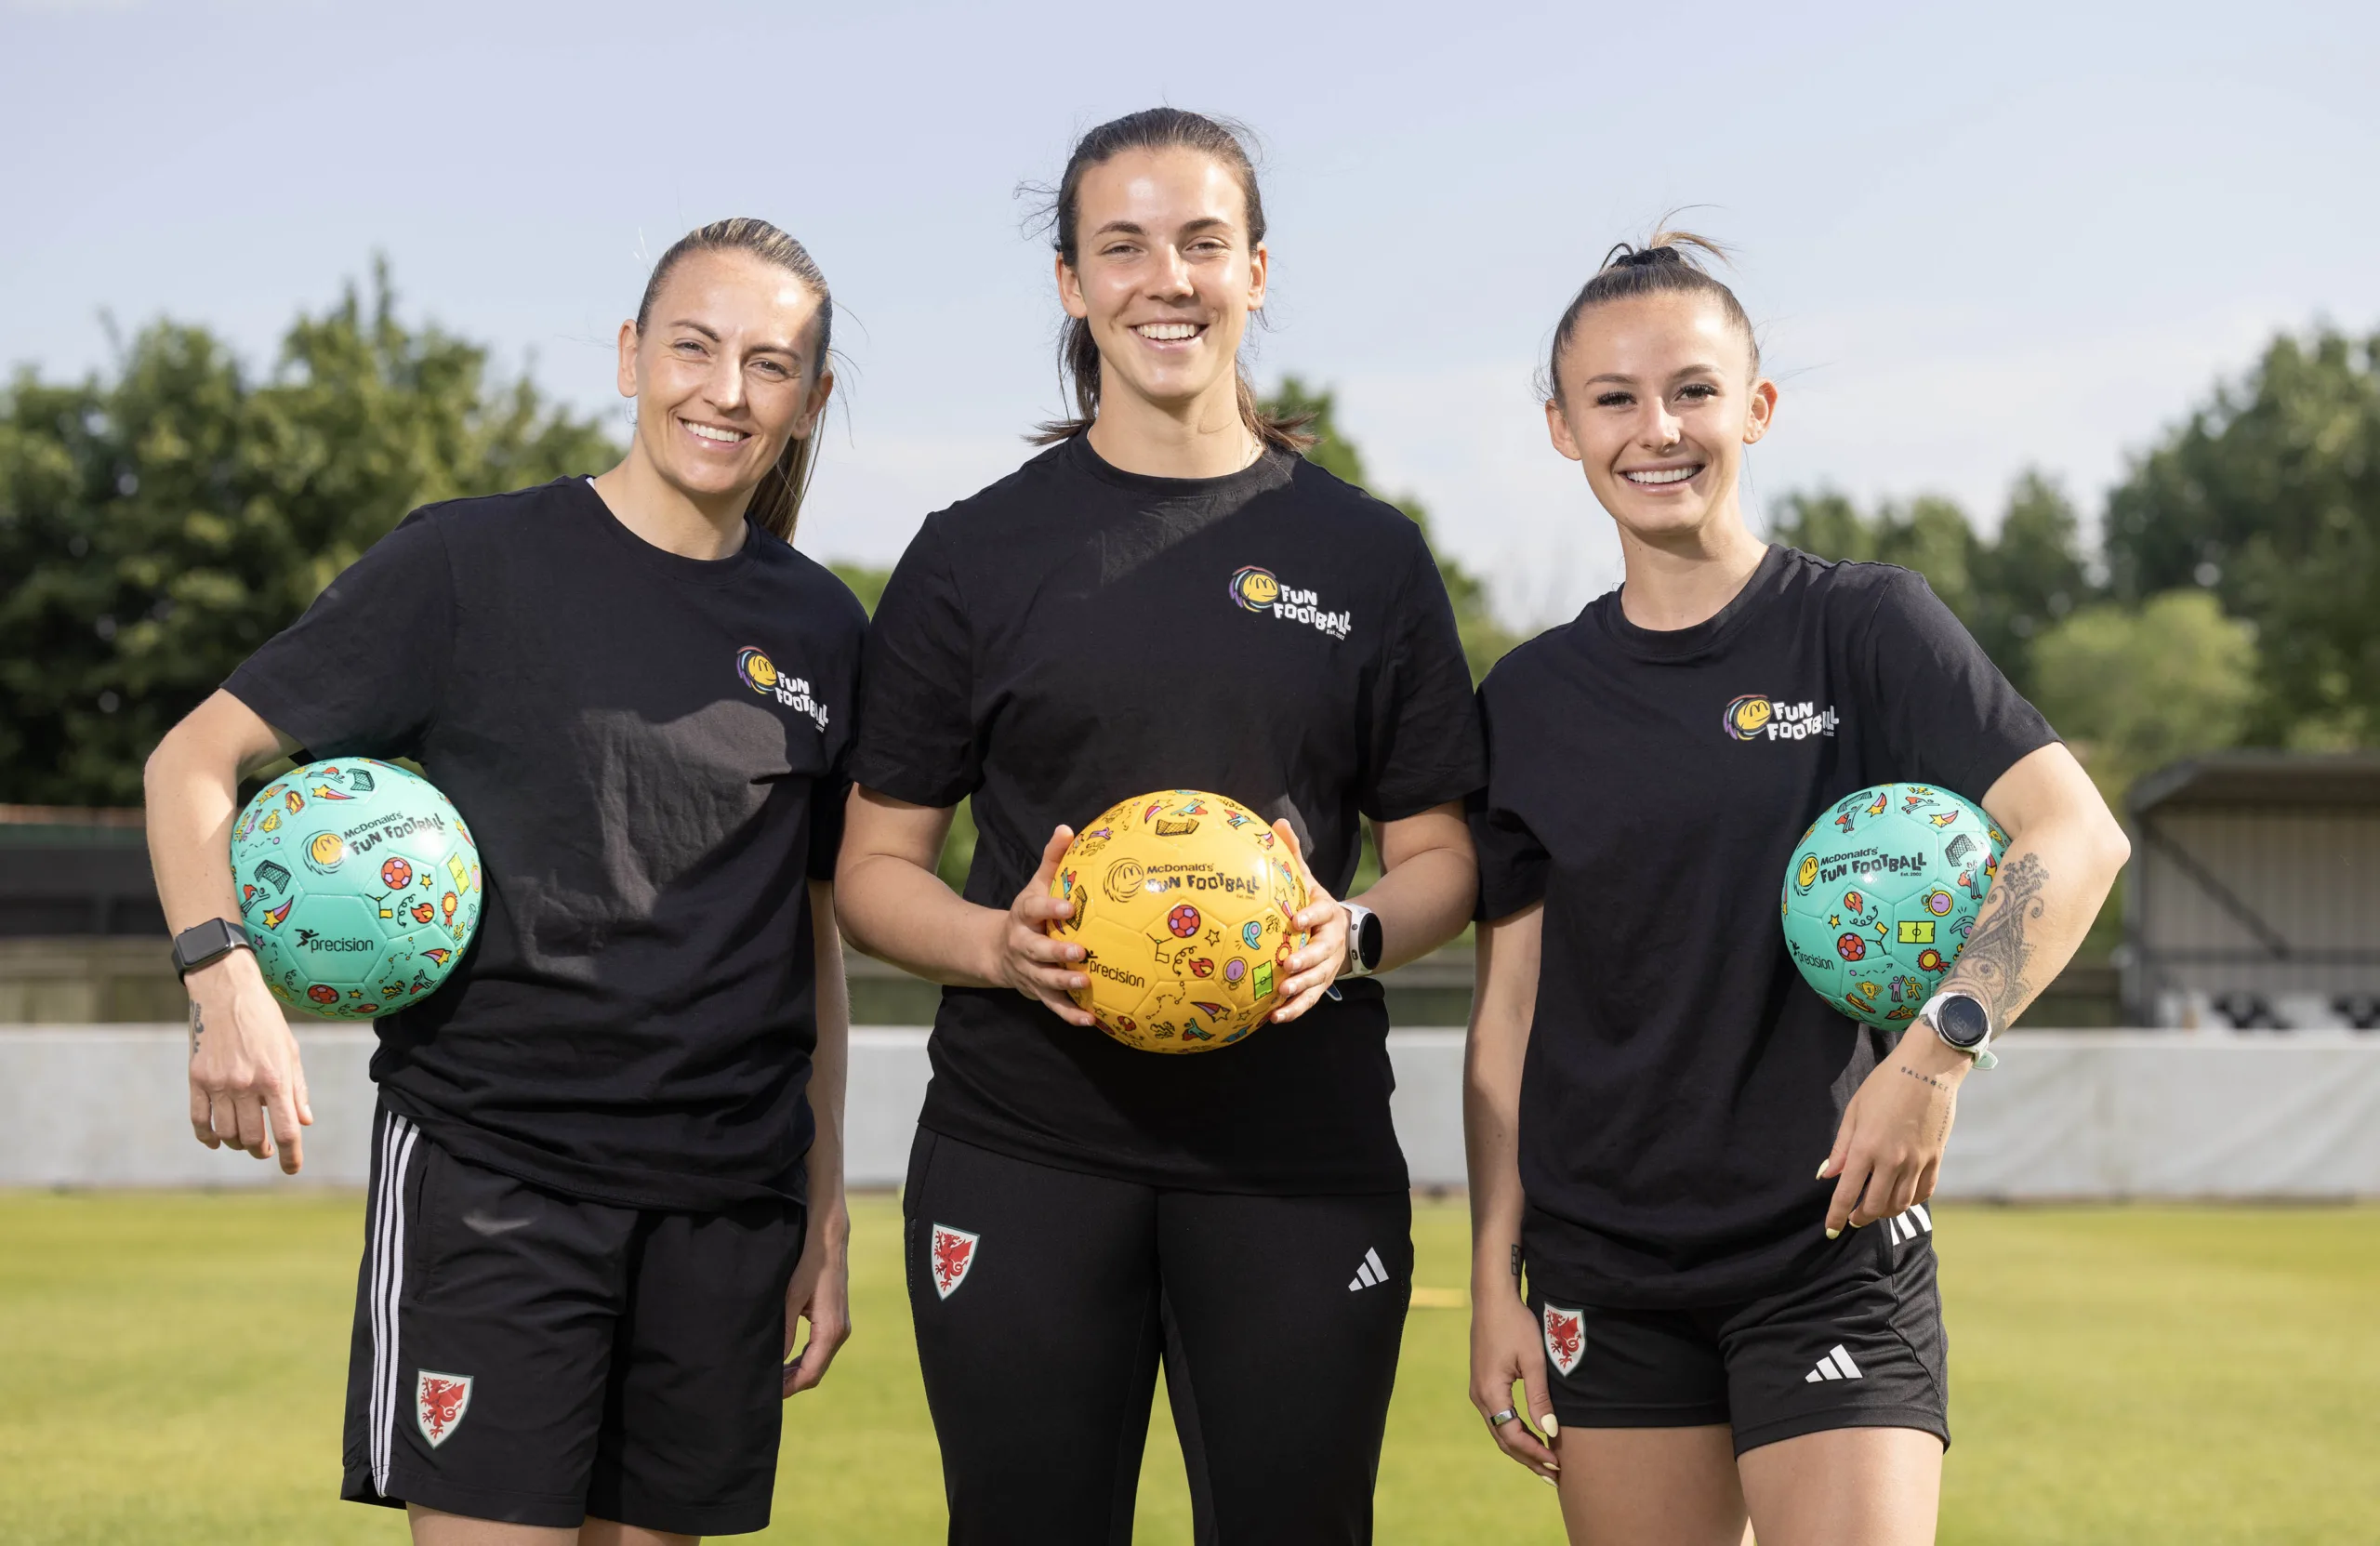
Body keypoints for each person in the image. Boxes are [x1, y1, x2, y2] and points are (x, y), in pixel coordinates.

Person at [143, 218, 865, 1545]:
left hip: (725, 1201)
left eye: (770, 365)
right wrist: (221, 973)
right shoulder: (468, 563)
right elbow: (195, 756)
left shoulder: (824, 627)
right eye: (693, 345)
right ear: (630, 353)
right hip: (500, 1174)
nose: (724, 388)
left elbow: (806, 933)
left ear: (810, 404)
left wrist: (824, 1207)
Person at [833, 109, 1484, 1544]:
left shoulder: (1364, 554)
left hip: (1296, 1152)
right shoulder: (974, 552)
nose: (1165, 278)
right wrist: (998, 945)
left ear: (1257, 268)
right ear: (1072, 284)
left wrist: (1355, 930)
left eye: (1200, 242)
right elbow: (873, 874)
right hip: (1025, 1141)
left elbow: (1445, 854)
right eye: (1121, 246)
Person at [1462, 233, 2132, 1546]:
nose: (1658, 428)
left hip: (1831, 1246)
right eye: (1614, 398)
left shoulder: (1867, 627)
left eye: (1694, 390)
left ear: (1756, 408)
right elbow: (1507, 1023)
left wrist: (1938, 1049)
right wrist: (1495, 1273)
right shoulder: (1527, 700)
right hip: (1609, 1266)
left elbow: (2075, 832)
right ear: (1561, 427)